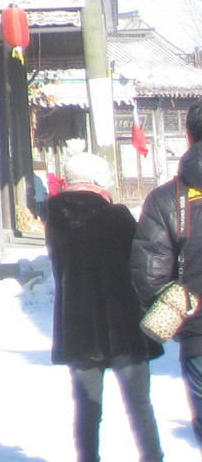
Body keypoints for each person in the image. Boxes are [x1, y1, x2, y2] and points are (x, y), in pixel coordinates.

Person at [51, 151, 164, 461]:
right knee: (139, 407)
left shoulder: (55, 220)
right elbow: (139, 264)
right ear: (96, 179)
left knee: (87, 409)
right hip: (122, 326)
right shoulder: (115, 216)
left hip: (79, 329)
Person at [137, 102, 202, 448]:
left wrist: (182, 316)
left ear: (189, 136)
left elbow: (149, 277)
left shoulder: (165, 199)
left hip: (198, 339)